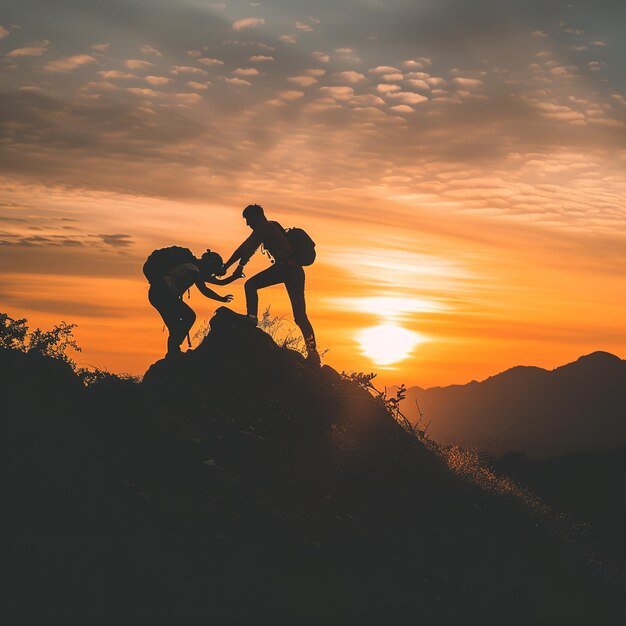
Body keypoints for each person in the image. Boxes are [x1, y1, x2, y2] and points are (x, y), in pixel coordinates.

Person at [222, 204, 320, 365]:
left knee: (250, 285)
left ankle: (252, 317)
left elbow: (249, 249)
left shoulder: (265, 228)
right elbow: (244, 247)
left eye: (248, 220)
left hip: (286, 269)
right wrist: (227, 266)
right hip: (294, 271)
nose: (247, 224)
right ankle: (313, 353)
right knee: (300, 316)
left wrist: (238, 267)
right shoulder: (269, 227)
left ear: (256, 217)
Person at [148, 250, 239, 358]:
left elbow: (219, 282)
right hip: (163, 295)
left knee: (175, 325)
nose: (212, 274)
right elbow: (205, 290)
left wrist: (235, 276)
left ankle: (173, 352)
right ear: (208, 265)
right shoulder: (192, 269)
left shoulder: (193, 268)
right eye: (212, 270)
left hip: (157, 294)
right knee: (188, 317)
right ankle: (173, 352)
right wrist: (221, 299)